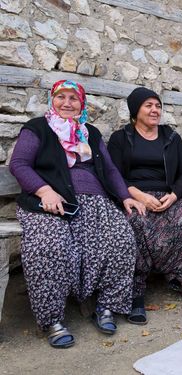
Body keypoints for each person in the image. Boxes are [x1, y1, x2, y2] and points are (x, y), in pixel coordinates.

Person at [9, 80, 145, 348]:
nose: (67, 103)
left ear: (81, 104)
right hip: (50, 203)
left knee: (120, 239)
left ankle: (106, 306)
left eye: (74, 98)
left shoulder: (90, 133)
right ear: (53, 100)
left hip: (95, 201)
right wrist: (44, 190)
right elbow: (19, 164)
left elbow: (109, 169)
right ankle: (53, 320)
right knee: (49, 245)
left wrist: (125, 196)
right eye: (61, 97)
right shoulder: (38, 127)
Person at [107, 87, 182, 324]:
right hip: (134, 196)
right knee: (135, 222)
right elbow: (113, 175)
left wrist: (173, 196)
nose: (155, 110)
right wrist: (138, 196)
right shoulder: (121, 138)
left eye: (158, 106)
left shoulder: (171, 137)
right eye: (148, 105)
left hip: (167, 195)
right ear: (135, 110)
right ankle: (136, 293)